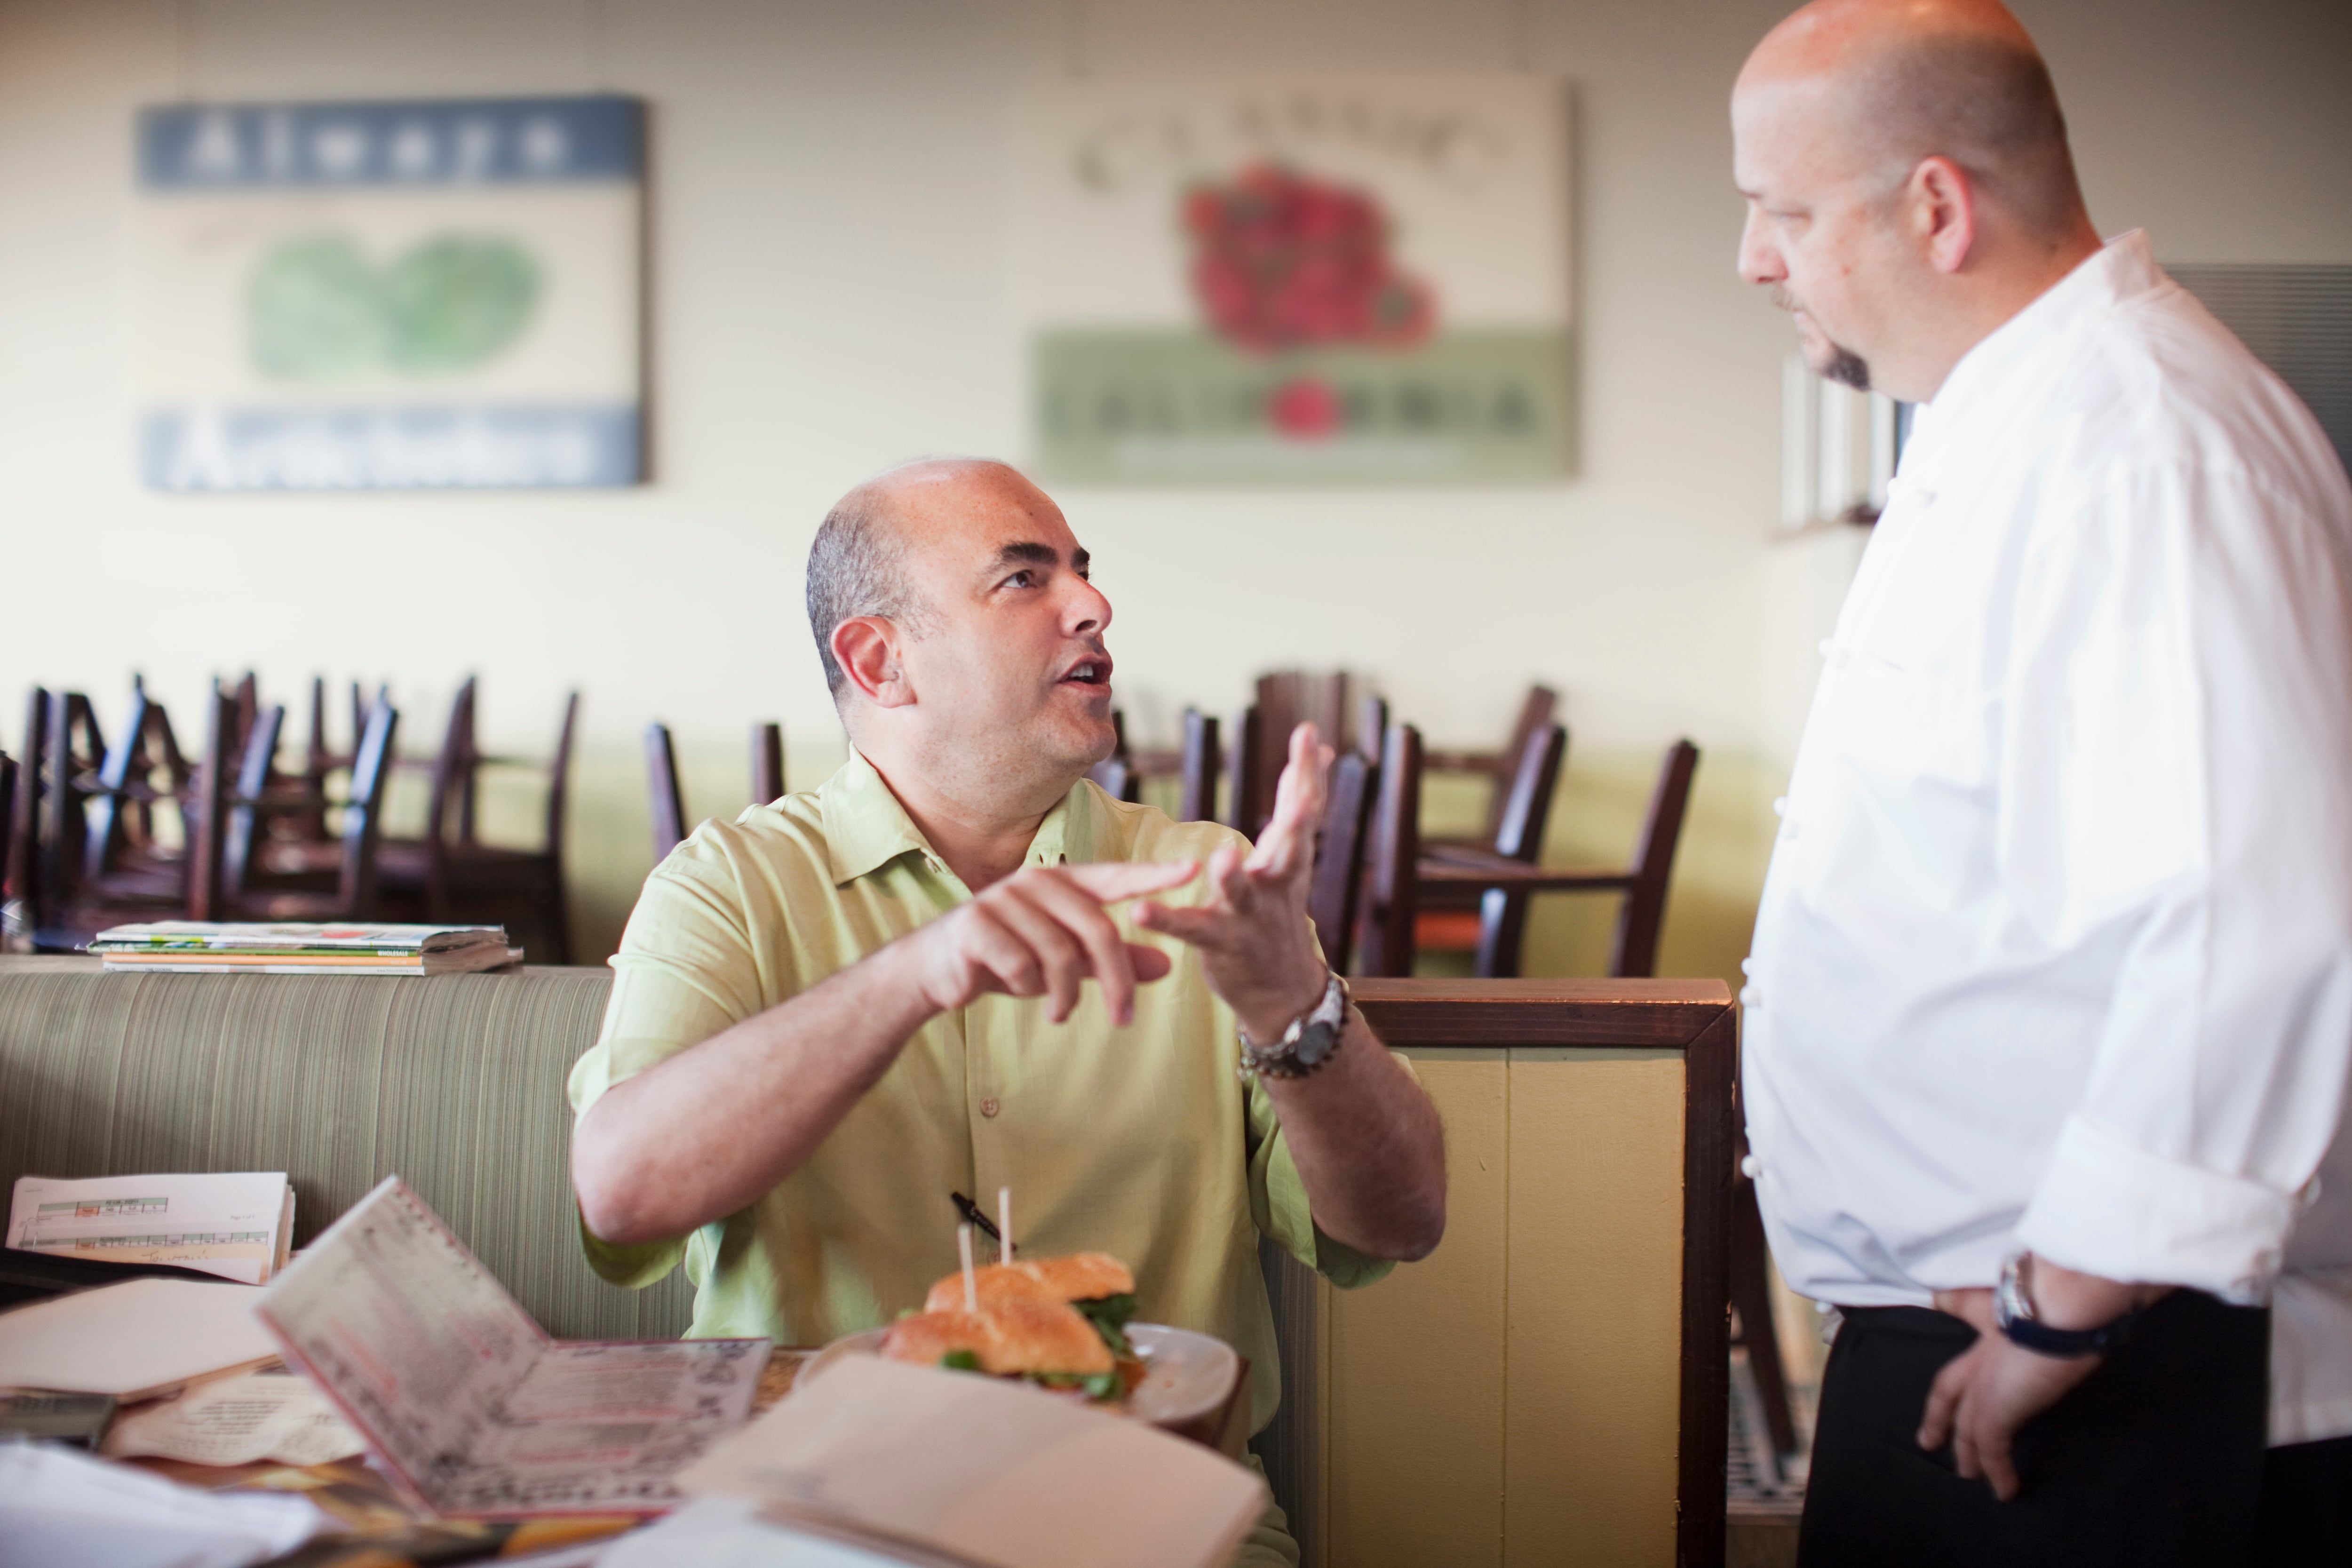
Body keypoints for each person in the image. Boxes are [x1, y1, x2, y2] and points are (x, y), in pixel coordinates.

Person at [566, 457, 1446, 1567]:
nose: (1093, 604)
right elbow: (625, 1189)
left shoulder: (1201, 883)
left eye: (1082, 571)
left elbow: (1400, 1219)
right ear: (880, 660)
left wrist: (1296, 1009)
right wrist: (914, 971)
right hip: (805, 1522)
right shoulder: (727, 888)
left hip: (1147, 1516)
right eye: (1024, 578)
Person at [1731, 1, 2352, 1563]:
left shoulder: (2145, 445)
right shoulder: (2003, 425)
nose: (1755, 258)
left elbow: (2248, 910)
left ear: (1935, 206)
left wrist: (2061, 1311)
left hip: (2109, 1366)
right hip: (1990, 1329)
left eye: (1782, 211)